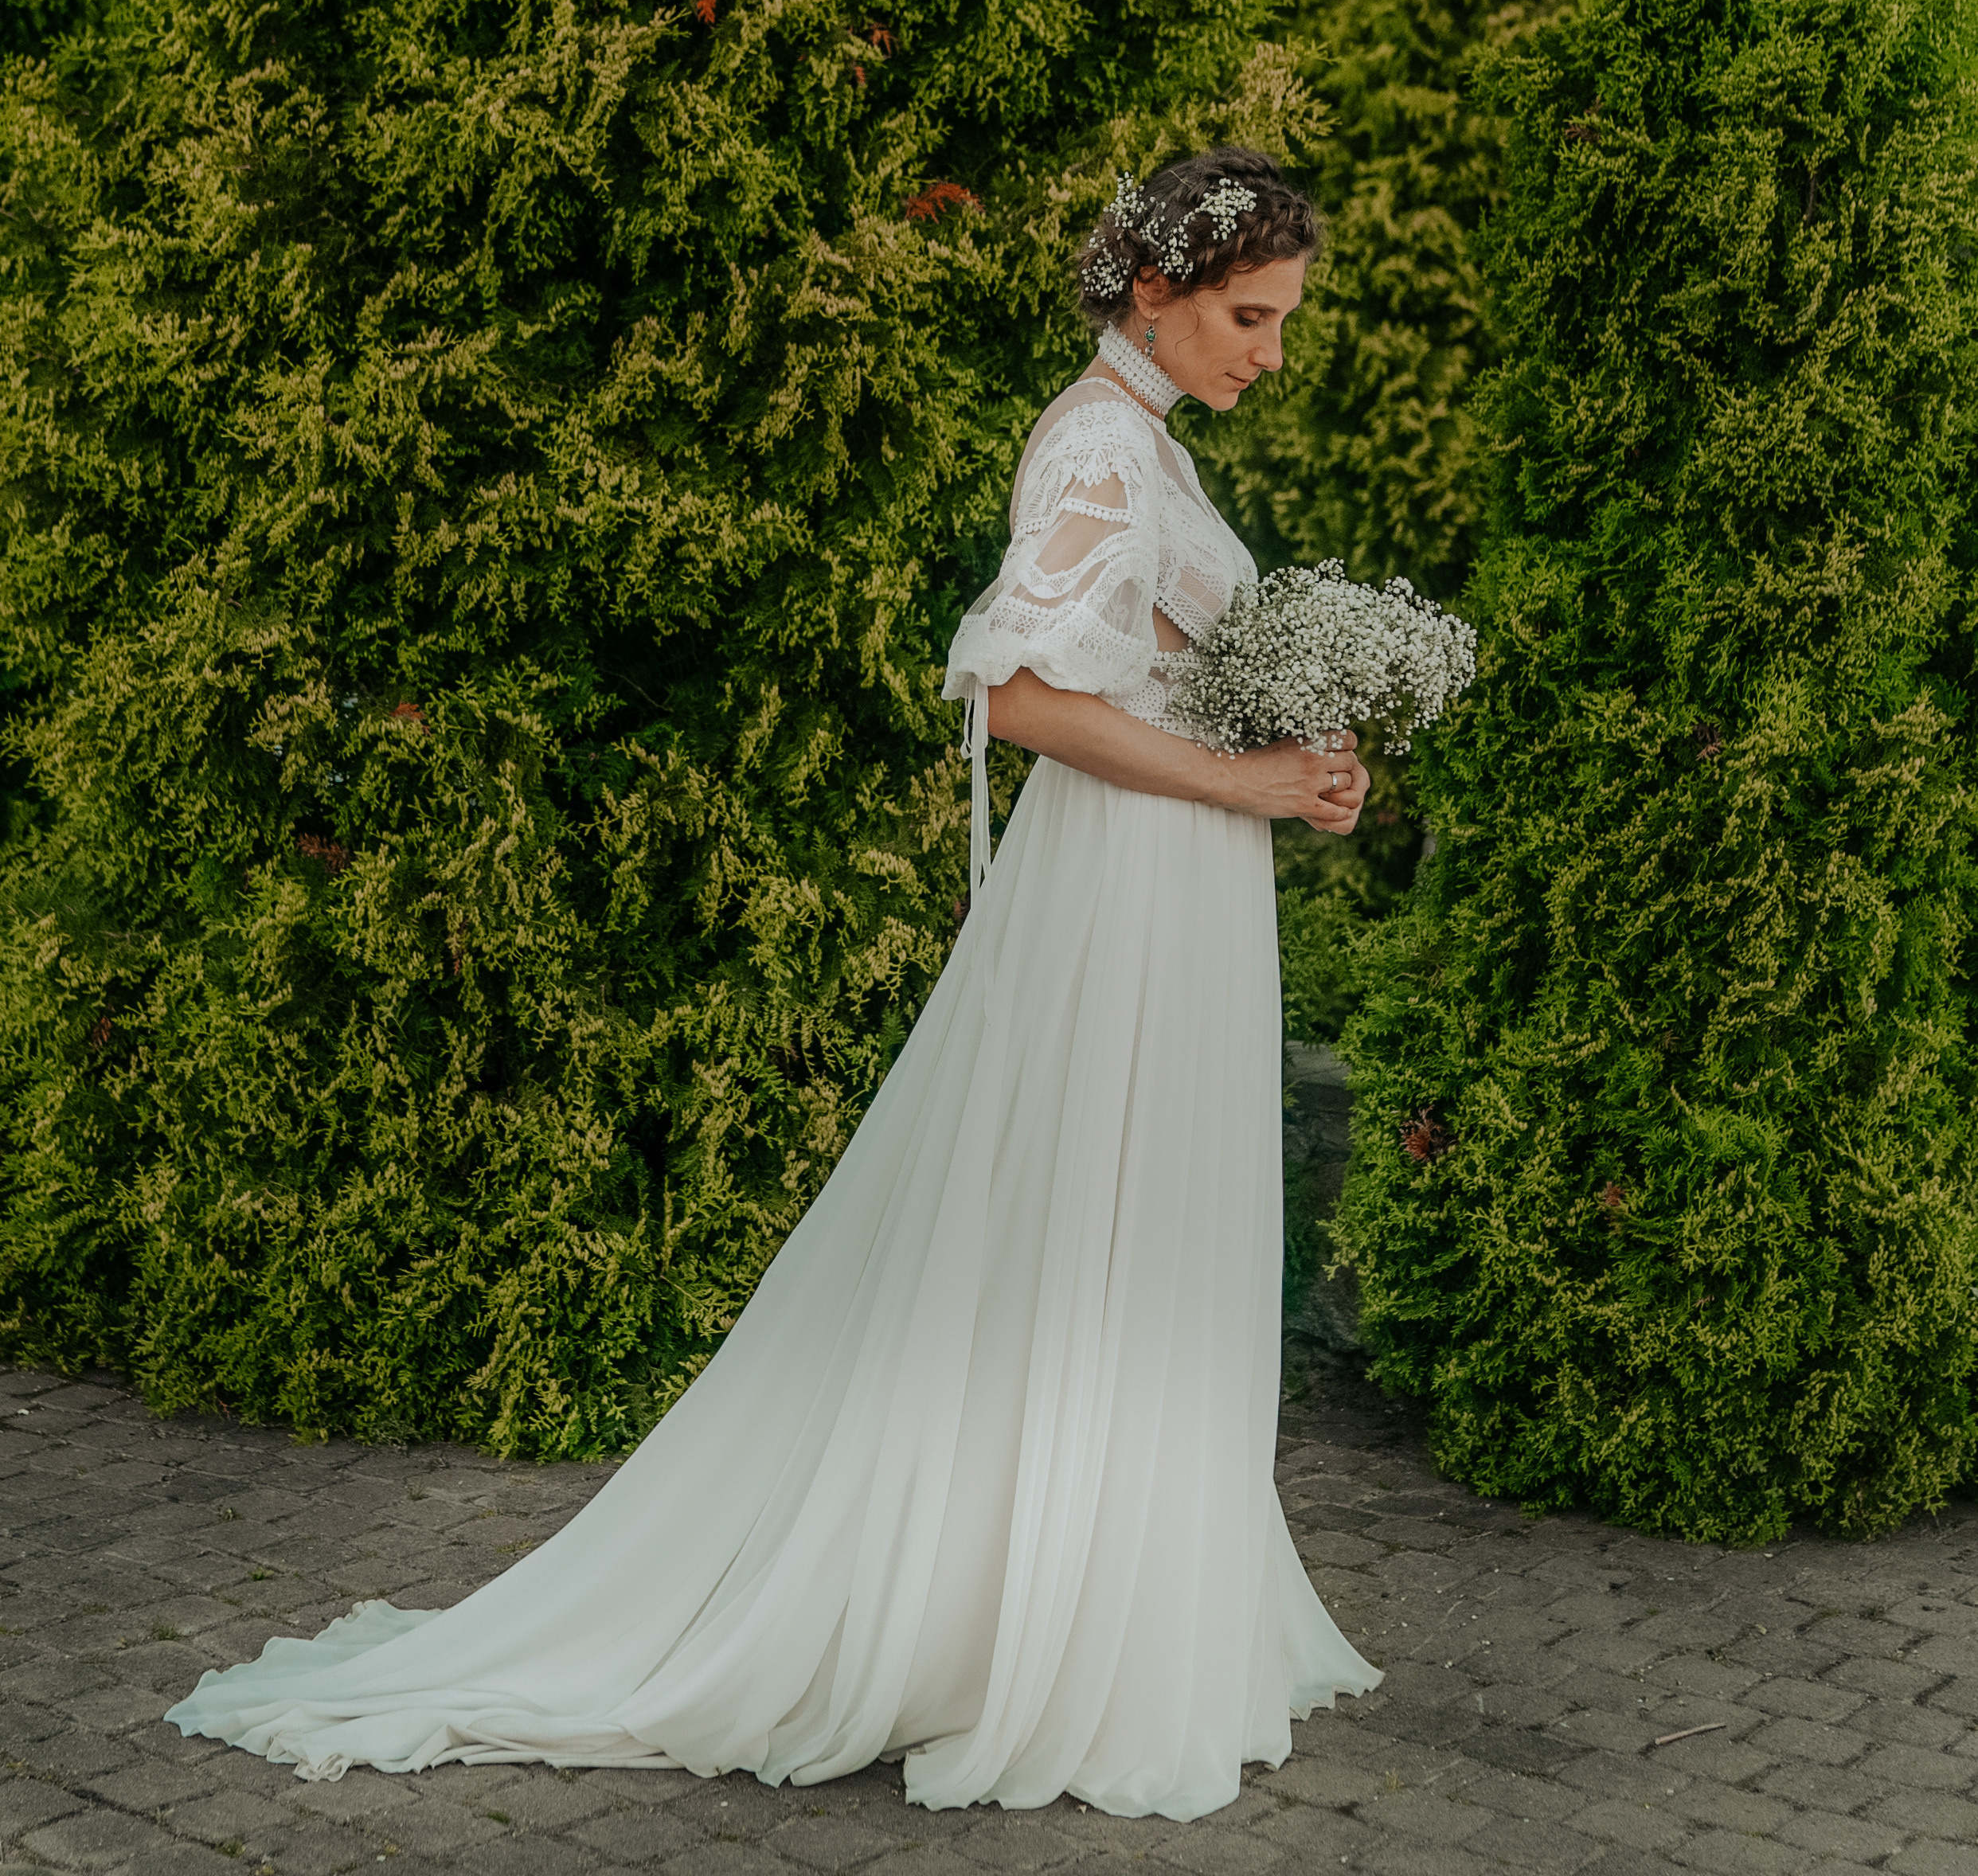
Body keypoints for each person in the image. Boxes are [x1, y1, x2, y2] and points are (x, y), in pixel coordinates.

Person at [166, 145, 1381, 1821]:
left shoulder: (1149, 447)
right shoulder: (1100, 440)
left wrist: (1292, 755)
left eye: (1283, 321)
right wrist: (1244, 783)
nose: (1269, 349)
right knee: (1086, 1228)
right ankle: (1038, 1632)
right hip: (1121, 895)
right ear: (1154, 293)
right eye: (1250, 315)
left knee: (1133, 1237)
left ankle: (1108, 1598)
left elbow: (1144, 676)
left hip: (1176, 882)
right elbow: (1018, 696)